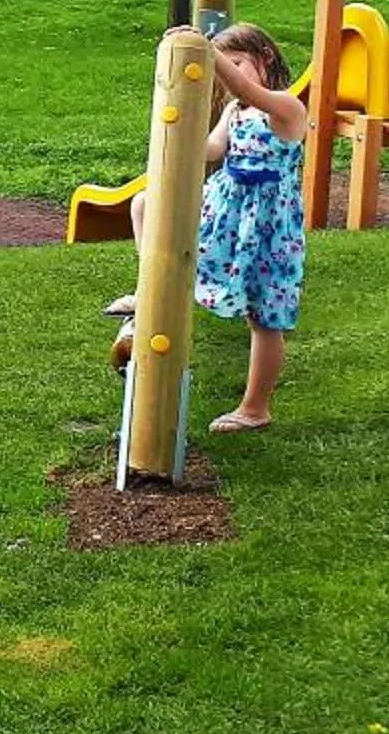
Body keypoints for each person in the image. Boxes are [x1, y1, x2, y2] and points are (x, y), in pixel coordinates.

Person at [104, 22, 310, 433]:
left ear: (265, 57)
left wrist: (206, 51)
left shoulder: (286, 108)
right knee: (145, 204)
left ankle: (255, 408)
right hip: (225, 209)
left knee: (264, 318)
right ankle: (149, 292)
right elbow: (213, 149)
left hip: (266, 226)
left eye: (235, 63)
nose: (227, 76)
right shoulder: (236, 111)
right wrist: (174, 128)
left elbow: (252, 92)